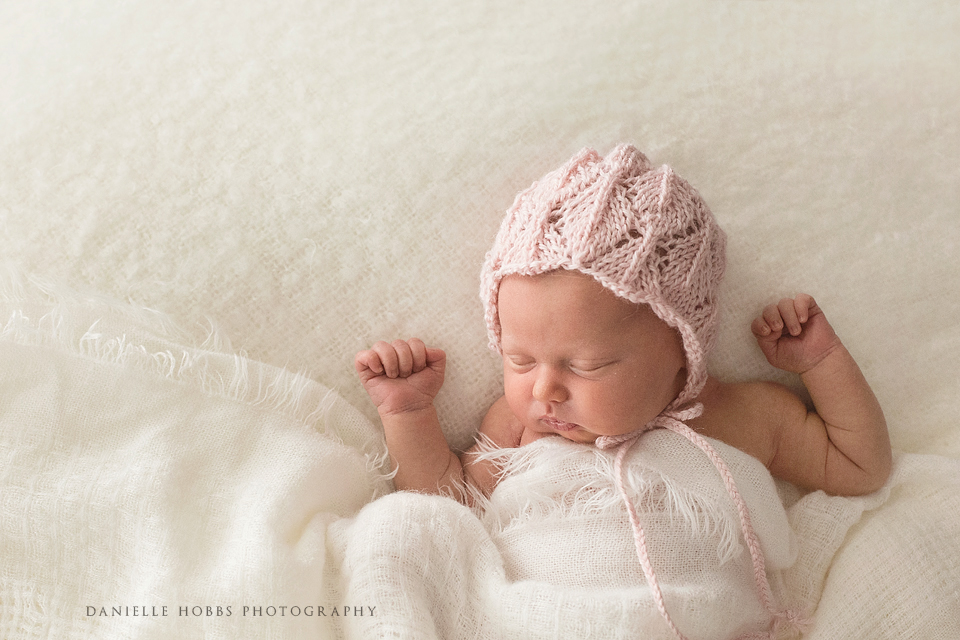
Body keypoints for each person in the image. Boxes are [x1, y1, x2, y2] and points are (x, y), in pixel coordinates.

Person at [355, 144, 892, 637]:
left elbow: (859, 465)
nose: (544, 388)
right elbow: (446, 505)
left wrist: (821, 363)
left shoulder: (742, 416)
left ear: (682, 350)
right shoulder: (519, 426)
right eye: (518, 360)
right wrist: (408, 412)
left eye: (587, 366)